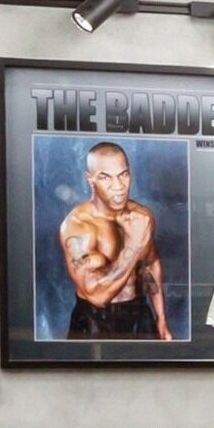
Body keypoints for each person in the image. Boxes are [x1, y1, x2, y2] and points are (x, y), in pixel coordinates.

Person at [60, 140, 168, 339]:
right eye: (105, 178)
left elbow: (151, 264)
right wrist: (132, 247)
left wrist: (161, 317)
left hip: (138, 312)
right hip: (94, 318)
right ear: (90, 179)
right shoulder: (78, 226)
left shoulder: (141, 217)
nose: (118, 186)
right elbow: (97, 296)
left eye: (123, 175)